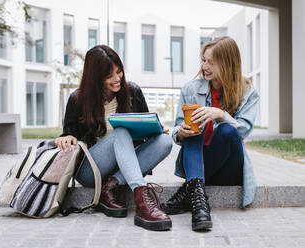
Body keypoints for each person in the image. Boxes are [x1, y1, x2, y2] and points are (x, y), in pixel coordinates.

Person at [55, 45, 173, 231]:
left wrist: (156, 130)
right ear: (95, 77)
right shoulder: (77, 99)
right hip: (91, 170)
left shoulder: (132, 92)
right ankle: (142, 201)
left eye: (119, 72)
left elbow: (144, 127)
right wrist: (67, 136)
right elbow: (69, 133)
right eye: (109, 75)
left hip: (124, 167)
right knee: (121, 132)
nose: (117, 79)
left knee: (165, 141)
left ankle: (110, 186)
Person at [161, 36, 259, 231]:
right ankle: (199, 206)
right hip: (196, 163)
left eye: (211, 62)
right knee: (193, 129)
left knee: (227, 130)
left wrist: (221, 115)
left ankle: (188, 193)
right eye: (204, 60)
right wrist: (181, 132)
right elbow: (177, 132)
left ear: (227, 64)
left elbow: (243, 130)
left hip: (227, 168)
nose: (205, 66)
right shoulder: (190, 89)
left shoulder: (248, 92)